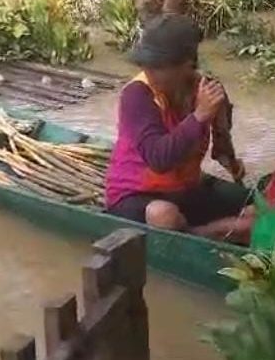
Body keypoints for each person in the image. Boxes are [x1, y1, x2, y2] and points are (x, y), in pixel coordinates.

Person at [105, 14, 253, 243]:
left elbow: (222, 147)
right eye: (146, 65)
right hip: (136, 196)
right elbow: (159, 159)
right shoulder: (137, 94)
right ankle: (207, 234)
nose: (148, 72)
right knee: (164, 215)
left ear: (186, 66)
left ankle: (218, 230)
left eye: (157, 66)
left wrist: (232, 163)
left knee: (259, 206)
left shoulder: (209, 92)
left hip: (186, 189)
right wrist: (199, 116)